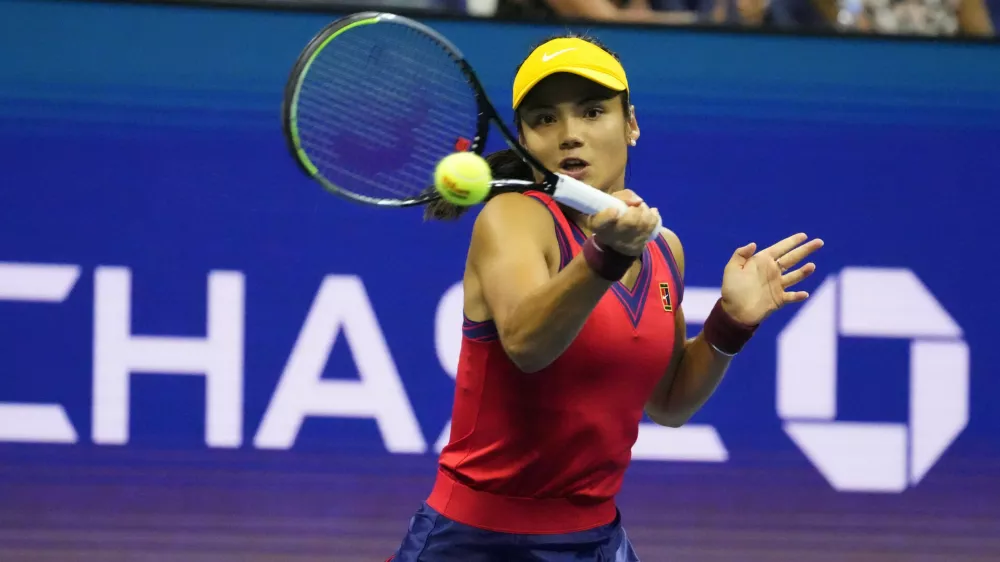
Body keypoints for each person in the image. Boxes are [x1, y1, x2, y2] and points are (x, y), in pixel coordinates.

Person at [390, 34, 824, 562]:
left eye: (593, 111)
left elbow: (668, 403)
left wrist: (728, 326)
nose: (570, 135)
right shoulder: (513, 219)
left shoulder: (665, 251)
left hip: (596, 539)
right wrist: (605, 256)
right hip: (477, 543)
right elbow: (528, 345)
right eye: (545, 119)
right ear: (525, 139)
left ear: (631, 125)